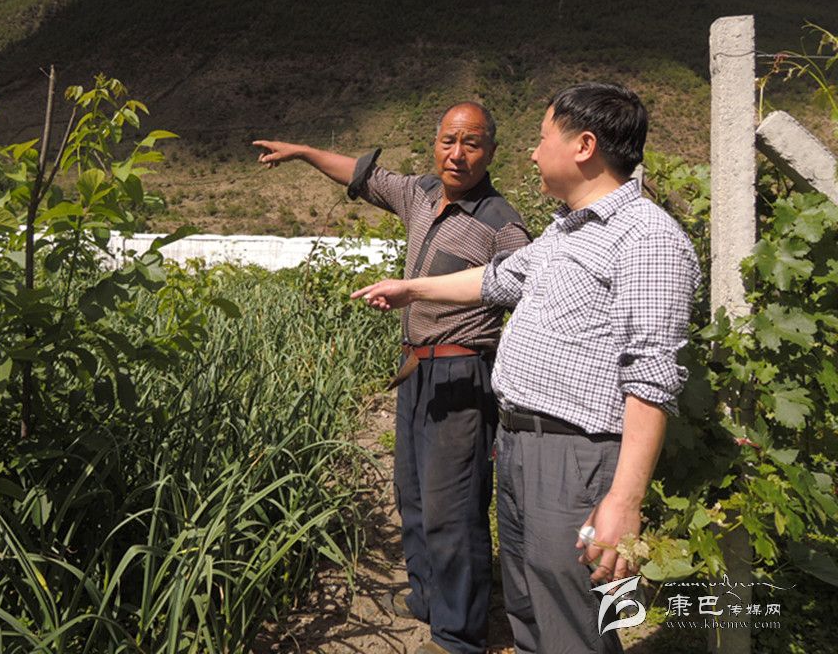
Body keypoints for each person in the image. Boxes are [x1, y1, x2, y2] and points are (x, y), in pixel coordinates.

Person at [352, 83, 700, 654]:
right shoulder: (567, 231)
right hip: (519, 444)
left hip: (574, 457)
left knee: (572, 616)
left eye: (542, 138)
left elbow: (651, 376)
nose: (533, 153)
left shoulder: (647, 239)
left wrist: (624, 500)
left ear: (584, 146)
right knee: (529, 609)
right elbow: (495, 279)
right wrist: (411, 288)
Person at [253, 102, 530, 654]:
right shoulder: (421, 194)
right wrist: (304, 152)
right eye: (449, 140)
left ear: (491, 153)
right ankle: (426, 598)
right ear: (435, 143)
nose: (457, 154)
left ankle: (457, 636)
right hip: (415, 370)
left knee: (454, 508)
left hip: (462, 373)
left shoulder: (503, 224)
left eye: (471, 143)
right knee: (414, 496)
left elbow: (530, 291)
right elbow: (364, 175)